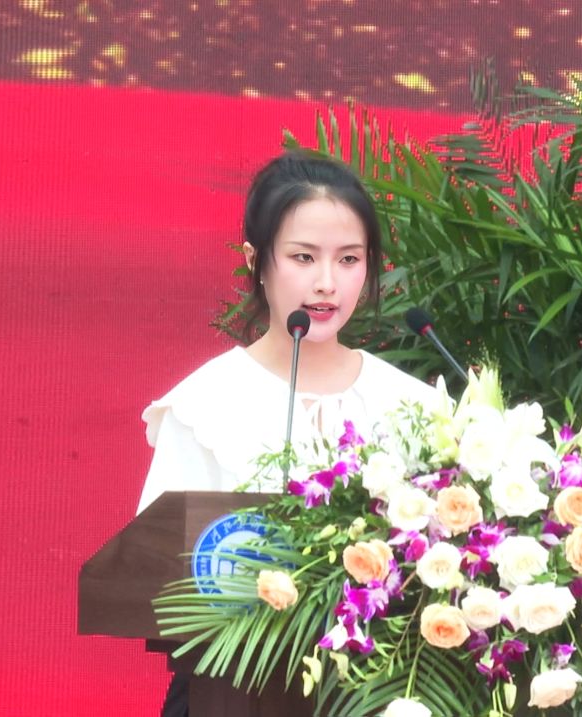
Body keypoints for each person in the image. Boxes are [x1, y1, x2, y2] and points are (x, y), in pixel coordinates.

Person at [136, 150, 438, 716]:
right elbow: (158, 578)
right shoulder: (204, 404)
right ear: (257, 260)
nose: (327, 283)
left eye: (349, 259)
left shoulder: (414, 406)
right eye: (303, 257)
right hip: (231, 694)